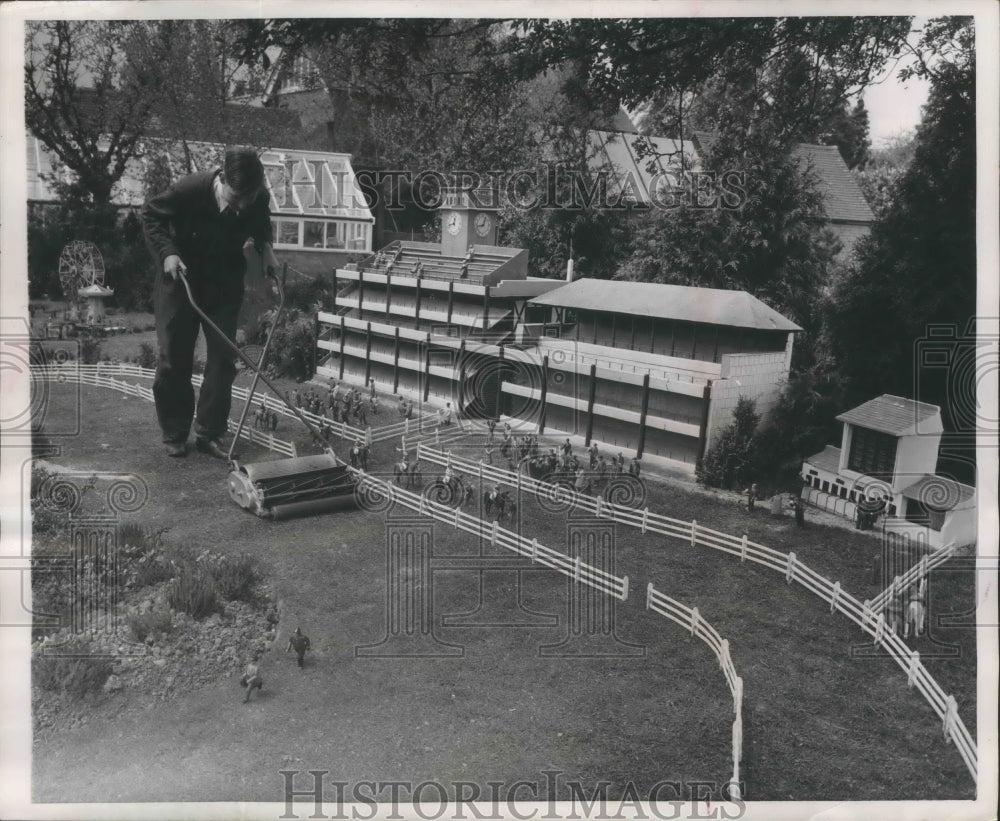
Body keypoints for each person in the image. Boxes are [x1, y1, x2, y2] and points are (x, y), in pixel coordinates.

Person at [143, 147, 279, 458]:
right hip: (181, 281)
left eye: (250, 197)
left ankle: (210, 432)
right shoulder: (188, 189)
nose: (244, 204)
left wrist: (266, 247)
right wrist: (168, 253)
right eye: (237, 198)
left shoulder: (255, 196)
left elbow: (260, 220)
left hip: (223, 284)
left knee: (222, 359)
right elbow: (151, 216)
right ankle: (175, 432)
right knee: (173, 358)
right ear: (223, 180)